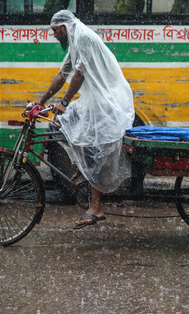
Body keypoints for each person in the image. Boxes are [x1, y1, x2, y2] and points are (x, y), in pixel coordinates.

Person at [34, 10, 135, 229]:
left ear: (63, 27)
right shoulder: (76, 39)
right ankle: (80, 169)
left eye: (54, 31)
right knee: (60, 123)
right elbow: (63, 74)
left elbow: (78, 75)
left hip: (109, 101)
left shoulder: (84, 38)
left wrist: (65, 102)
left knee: (93, 149)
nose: (54, 35)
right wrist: (40, 102)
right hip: (96, 99)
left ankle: (96, 207)